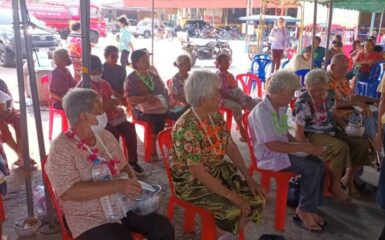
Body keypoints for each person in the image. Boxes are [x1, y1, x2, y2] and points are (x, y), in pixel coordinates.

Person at [45, 88, 175, 240]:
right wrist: (119, 185)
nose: (104, 113)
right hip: (88, 217)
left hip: (122, 205)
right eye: (99, 110)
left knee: (163, 227)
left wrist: (132, 183)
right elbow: (68, 191)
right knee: (120, 237)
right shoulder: (61, 148)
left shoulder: (104, 136)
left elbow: (123, 165)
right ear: (84, 117)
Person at [171, 71, 265, 239]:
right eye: (215, 92)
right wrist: (233, 197)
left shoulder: (215, 115)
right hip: (192, 183)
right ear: (202, 99)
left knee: (258, 197)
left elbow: (231, 147)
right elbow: (198, 173)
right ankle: (223, 233)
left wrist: (249, 179)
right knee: (233, 208)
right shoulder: (186, 128)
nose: (219, 95)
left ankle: (225, 233)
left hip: (219, 172)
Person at [249, 70, 326, 232]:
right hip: (269, 157)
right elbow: (272, 146)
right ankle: (303, 210)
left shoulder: (281, 108)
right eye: (291, 93)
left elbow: (284, 134)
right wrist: (303, 147)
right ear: (281, 91)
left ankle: (310, 208)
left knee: (319, 163)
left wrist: (300, 145)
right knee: (311, 168)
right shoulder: (262, 112)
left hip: (282, 151)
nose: (292, 97)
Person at [294, 69, 371, 201]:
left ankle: (348, 179)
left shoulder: (329, 95)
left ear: (325, 87)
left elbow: (334, 114)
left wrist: (346, 127)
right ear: (306, 87)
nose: (318, 94)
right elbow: (299, 131)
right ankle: (335, 187)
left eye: (321, 90)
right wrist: (305, 149)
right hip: (313, 134)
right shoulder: (302, 102)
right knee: (340, 147)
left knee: (361, 144)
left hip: (332, 130)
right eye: (313, 90)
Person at [78, 55, 143, 175]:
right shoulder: (84, 87)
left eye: (100, 71)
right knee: (112, 133)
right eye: (94, 71)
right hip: (94, 122)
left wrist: (120, 101)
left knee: (129, 128)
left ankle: (132, 161)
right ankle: (113, 164)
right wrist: (109, 104)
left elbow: (113, 95)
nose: (98, 74)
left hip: (111, 117)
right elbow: (91, 111)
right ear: (87, 72)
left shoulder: (104, 84)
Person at [124, 49, 169, 160]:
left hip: (157, 107)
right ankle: (152, 146)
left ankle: (172, 144)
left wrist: (165, 100)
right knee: (158, 119)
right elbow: (129, 99)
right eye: (144, 60)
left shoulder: (153, 76)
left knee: (174, 114)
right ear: (136, 63)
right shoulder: (131, 78)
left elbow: (163, 91)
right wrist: (145, 98)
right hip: (140, 110)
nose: (147, 61)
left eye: (147, 59)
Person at [327, 53, 377, 140]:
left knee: (376, 114)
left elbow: (353, 97)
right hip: (339, 117)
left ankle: (375, 144)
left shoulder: (342, 79)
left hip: (351, 112)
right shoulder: (326, 81)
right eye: (343, 69)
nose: (346, 71)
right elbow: (330, 103)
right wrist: (356, 103)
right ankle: (376, 148)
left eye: (347, 68)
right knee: (369, 120)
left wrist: (375, 100)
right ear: (332, 67)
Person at [215, 52, 260, 141]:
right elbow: (223, 94)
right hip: (223, 99)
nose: (228, 64)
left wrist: (241, 97)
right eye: (225, 62)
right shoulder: (217, 76)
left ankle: (254, 129)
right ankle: (242, 130)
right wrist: (236, 99)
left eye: (228, 62)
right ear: (219, 63)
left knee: (254, 104)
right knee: (236, 107)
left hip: (233, 95)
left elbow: (236, 89)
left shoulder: (229, 74)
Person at [0, 79, 36, 168]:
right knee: (3, 126)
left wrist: (8, 109)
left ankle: (22, 157)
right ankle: (23, 157)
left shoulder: (1, 83)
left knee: (19, 119)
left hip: (4, 111)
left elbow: (9, 100)